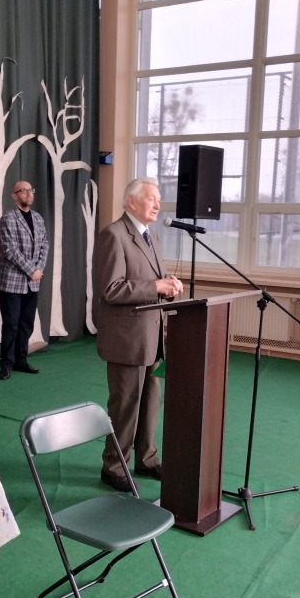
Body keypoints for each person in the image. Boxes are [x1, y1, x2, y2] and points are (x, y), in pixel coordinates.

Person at [93, 177, 183, 492]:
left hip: (152, 336)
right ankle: (114, 467)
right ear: (131, 201)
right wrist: (155, 286)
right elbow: (110, 289)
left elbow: (150, 279)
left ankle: (147, 459)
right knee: (126, 406)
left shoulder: (151, 235)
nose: (158, 204)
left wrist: (168, 285)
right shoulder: (113, 235)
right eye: (151, 198)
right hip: (127, 339)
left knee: (150, 402)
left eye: (158, 199)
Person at [0, 181, 49, 379]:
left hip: (33, 282)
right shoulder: (8, 218)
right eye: (23, 191)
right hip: (12, 282)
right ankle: (6, 364)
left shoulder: (38, 218)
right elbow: (9, 250)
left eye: (30, 190)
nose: (28, 194)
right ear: (14, 195)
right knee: (11, 324)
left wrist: (39, 269)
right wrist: (31, 270)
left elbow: (45, 244)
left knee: (26, 323)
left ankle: (21, 360)